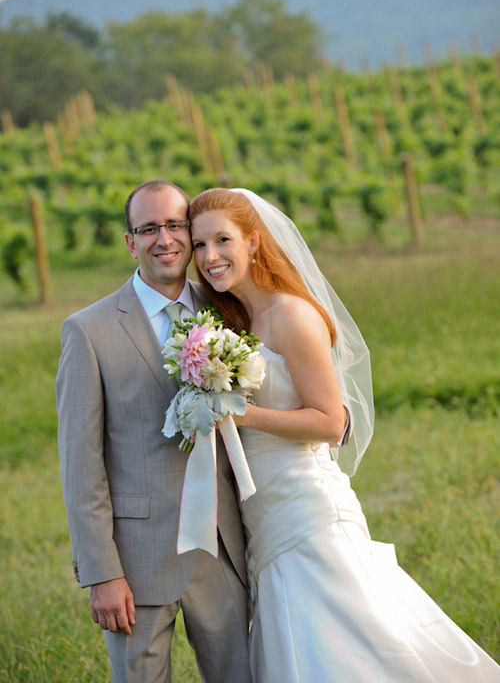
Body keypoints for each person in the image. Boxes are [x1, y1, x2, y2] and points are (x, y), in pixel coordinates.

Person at [189, 186, 500, 683]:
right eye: (199, 245)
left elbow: (331, 423)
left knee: (351, 640)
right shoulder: (237, 324)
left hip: (305, 504)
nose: (210, 257)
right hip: (263, 514)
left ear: (253, 241)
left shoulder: (291, 315)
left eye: (222, 240)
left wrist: (240, 415)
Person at [56, 180, 252, 683]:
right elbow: (81, 465)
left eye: (174, 225)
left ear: (191, 233)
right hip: (135, 564)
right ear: (130, 241)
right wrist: (102, 572)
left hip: (221, 550)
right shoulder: (88, 331)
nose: (163, 239)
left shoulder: (227, 310)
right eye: (148, 228)